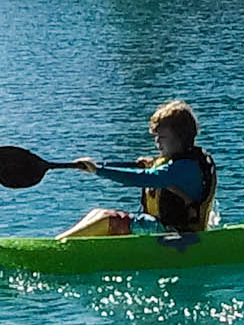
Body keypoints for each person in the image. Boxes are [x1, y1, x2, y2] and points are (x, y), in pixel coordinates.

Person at [61, 100, 218, 244]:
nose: (157, 142)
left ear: (181, 137)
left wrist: (98, 170)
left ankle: (59, 247)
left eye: (162, 137)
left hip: (177, 235)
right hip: (163, 228)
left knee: (108, 219)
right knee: (97, 213)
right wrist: (153, 164)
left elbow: (141, 178)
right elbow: (160, 171)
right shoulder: (178, 162)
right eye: (156, 137)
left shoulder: (184, 168)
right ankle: (61, 242)